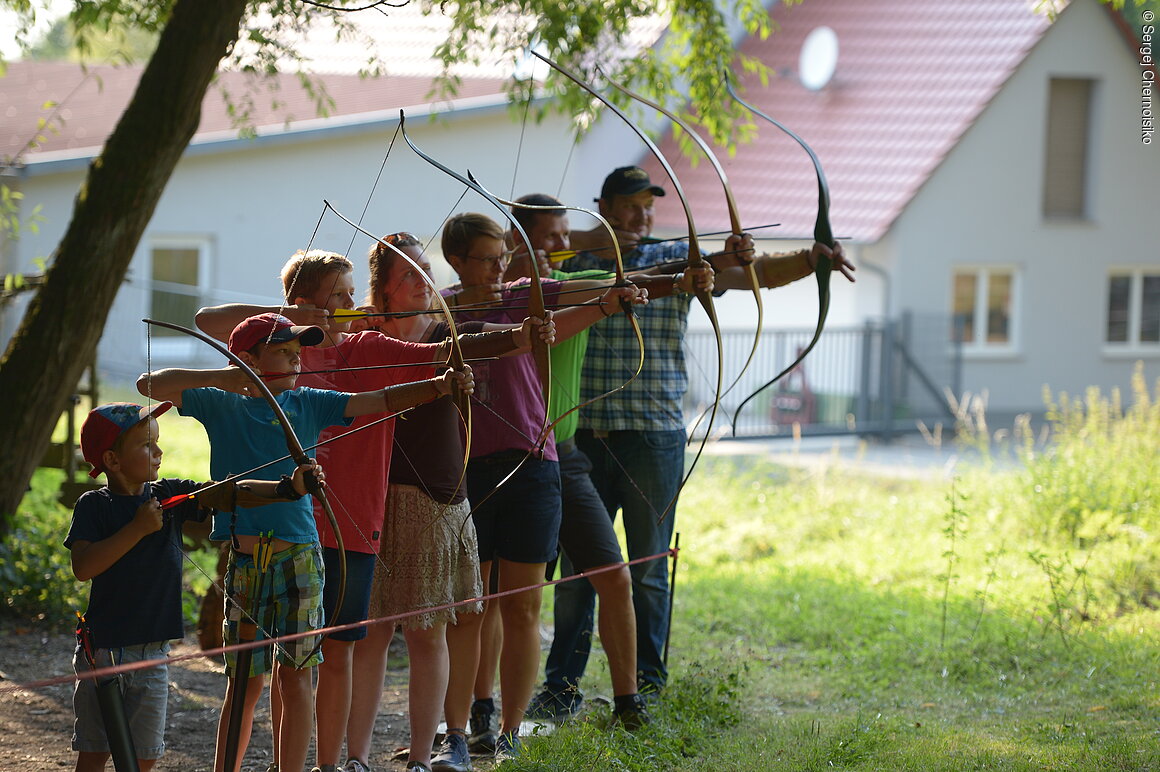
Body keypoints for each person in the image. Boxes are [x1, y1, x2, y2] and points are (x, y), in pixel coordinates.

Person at [195, 250, 539, 772]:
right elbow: (206, 322)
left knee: (337, 652)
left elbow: (451, 350)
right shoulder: (280, 351)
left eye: (352, 293)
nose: (351, 304)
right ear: (304, 304)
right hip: (279, 530)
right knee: (280, 666)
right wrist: (292, 320)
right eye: (339, 295)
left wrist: (525, 336)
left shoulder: (371, 346)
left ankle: (332, 764)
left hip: (351, 523)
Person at [548, 166, 855, 703]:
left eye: (649, 205)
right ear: (604, 205)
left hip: (653, 435)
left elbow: (751, 275)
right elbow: (526, 244)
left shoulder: (684, 264)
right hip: (585, 435)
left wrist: (809, 259)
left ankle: (647, 686)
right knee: (576, 568)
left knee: (646, 566)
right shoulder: (567, 263)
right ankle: (561, 687)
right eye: (629, 204)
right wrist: (601, 238)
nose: (642, 215)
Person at [136, 312, 473, 772]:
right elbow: (148, 383)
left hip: (299, 561)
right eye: (283, 352)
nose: (296, 362)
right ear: (249, 358)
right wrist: (231, 376)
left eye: (298, 354)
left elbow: (379, 399)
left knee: (296, 680)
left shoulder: (309, 402)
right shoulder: (221, 404)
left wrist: (437, 387)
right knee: (243, 685)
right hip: (246, 561)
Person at [437, 212, 645, 763]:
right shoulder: (441, 310)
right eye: (488, 257)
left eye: (505, 254)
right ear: (456, 261)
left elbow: (593, 287)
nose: (500, 266)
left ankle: (508, 732)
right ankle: (466, 722)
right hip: (469, 470)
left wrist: (610, 298)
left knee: (524, 607)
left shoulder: (526, 293)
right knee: (473, 607)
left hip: (534, 465)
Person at [66, 401, 320, 772]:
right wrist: (137, 529)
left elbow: (227, 493)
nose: (158, 452)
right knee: (95, 750)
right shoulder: (94, 505)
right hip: (103, 652)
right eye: (146, 445)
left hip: (154, 652)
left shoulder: (168, 494)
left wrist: (287, 487)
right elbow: (84, 567)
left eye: (158, 442)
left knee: (144, 754)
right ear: (112, 460)